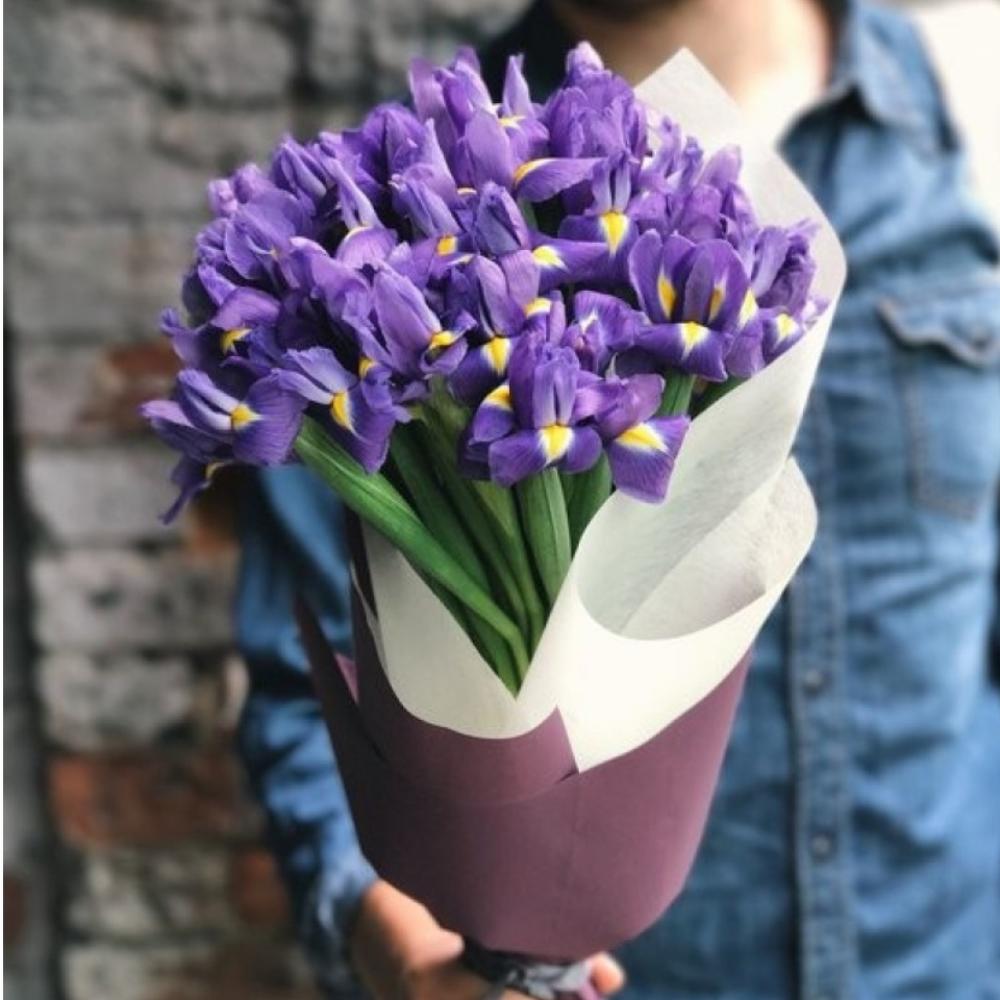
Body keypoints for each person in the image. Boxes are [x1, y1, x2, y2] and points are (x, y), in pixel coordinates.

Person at [235, 0, 1000, 997]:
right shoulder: (404, 204)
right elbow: (311, 692)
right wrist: (401, 949)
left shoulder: (954, 89)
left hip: (949, 957)